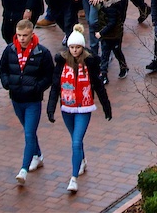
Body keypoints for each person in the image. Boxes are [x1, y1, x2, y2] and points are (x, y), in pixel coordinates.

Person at [48, 24, 112, 195]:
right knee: (75, 140)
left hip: (84, 107)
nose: (74, 50)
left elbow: (98, 86)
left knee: (76, 141)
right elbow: (55, 86)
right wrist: (51, 107)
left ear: (82, 47)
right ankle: (82, 160)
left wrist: (106, 107)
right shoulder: (61, 62)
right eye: (72, 47)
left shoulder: (90, 63)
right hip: (67, 108)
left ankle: (73, 178)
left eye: (77, 47)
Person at [0, 19, 55, 183]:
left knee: (29, 133)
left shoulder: (42, 53)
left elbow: (49, 76)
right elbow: (3, 70)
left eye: (25, 35)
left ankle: (23, 169)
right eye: (19, 35)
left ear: (32, 34)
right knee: (29, 131)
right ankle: (38, 155)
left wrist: (38, 87)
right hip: (16, 99)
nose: (22, 39)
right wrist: (7, 83)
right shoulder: (9, 50)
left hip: (33, 101)